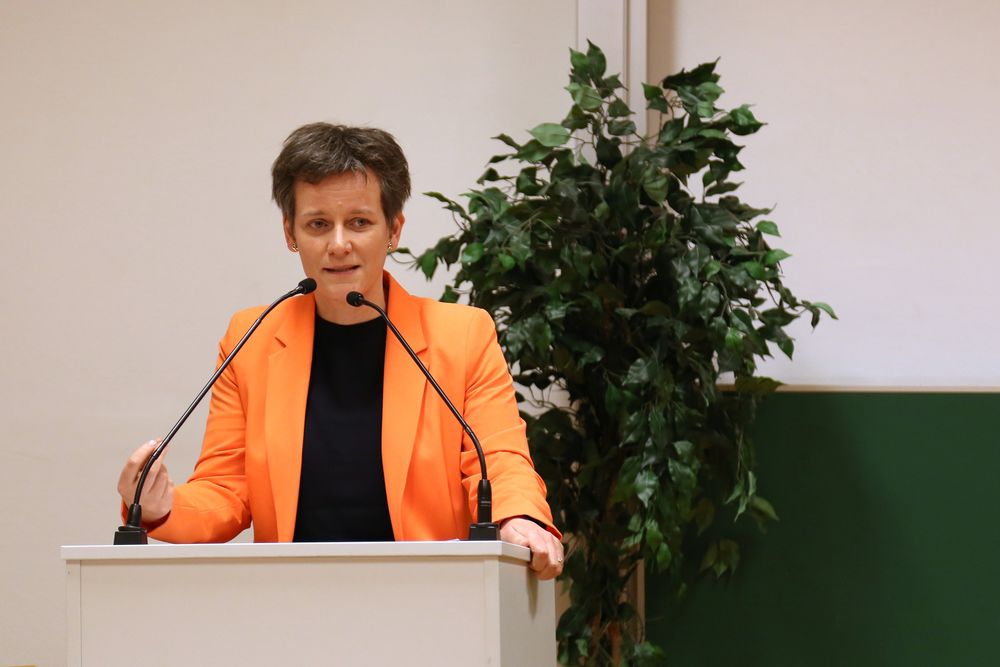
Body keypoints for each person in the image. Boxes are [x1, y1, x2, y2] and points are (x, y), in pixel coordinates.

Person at [117, 123, 564, 579]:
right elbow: (227, 489)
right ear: (290, 233)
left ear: (394, 229)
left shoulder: (463, 336)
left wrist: (519, 518)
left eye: (359, 222)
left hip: (430, 595)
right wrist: (160, 506)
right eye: (317, 224)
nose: (338, 245)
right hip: (292, 599)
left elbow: (499, 461)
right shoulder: (251, 338)